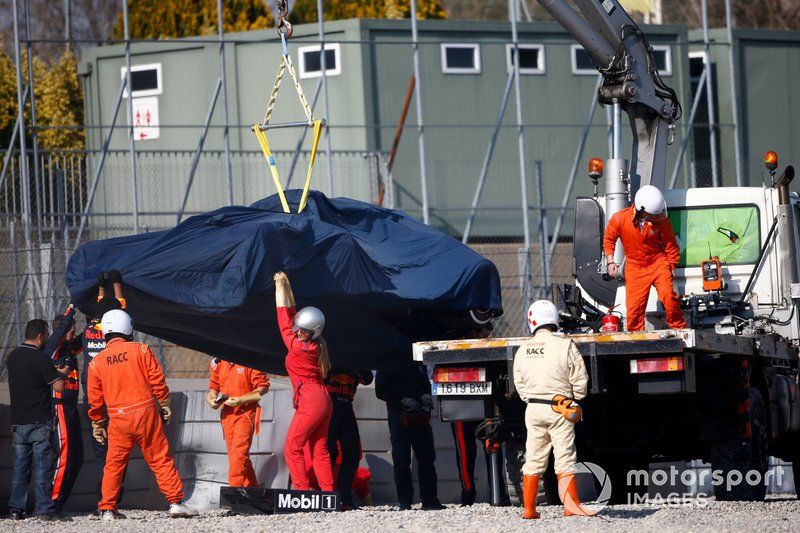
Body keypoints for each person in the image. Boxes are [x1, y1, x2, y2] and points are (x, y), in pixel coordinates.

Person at [87, 309, 197, 520]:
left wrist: (97, 423)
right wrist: (164, 403)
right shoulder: (141, 350)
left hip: (118, 418)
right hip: (145, 413)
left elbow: (95, 399)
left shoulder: (96, 362)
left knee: (114, 464)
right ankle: (175, 502)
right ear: (127, 327)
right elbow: (157, 380)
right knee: (159, 458)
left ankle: (107, 509)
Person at [513, 300, 589, 519]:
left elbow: (519, 383)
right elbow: (579, 378)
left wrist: (531, 399)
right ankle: (571, 506)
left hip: (534, 409)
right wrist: (576, 400)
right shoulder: (565, 345)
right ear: (555, 319)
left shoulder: (524, 348)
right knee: (564, 456)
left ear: (532, 321)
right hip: (560, 408)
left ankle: (529, 510)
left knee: (534, 458)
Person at [273, 271, 334, 491]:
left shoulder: (299, 348)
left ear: (313, 332)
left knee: (292, 447)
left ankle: (301, 490)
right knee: (320, 449)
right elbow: (292, 318)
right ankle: (328, 494)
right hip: (323, 398)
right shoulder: (316, 345)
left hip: (310, 398)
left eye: (303, 332)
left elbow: (283, 319)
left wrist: (279, 288)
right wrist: (287, 287)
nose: (298, 333)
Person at [603, 185, 686, 331]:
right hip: (635, 267)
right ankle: (637, 341)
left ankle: (678, 329)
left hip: (658, 262)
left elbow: (671, 246)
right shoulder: (620, 219)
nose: (657, 218)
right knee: (634, 310)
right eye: (653, 215)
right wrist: (610, 262)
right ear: (642, 211)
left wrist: (671, 266)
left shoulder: (662, 221)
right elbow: (609, 239)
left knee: (669, 297)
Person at [6, 319, 66, 521]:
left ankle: (16, 509)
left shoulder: (12, 357)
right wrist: (62, 375)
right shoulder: (41, 359)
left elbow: (30, 378)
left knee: (20, 469)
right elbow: (58, 387)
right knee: (42, 468)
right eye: (47, 335)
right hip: (39, 422)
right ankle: (43, 509)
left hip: (18, 422)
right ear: (40, 336)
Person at [449, 323, 510, 507]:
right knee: (465, 455)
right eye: (485, 334)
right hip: (461, 406)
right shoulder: (456, 347)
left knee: (493, 450)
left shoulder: (488, 351)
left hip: (486, 406)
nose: (488, 338)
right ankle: (467, 496)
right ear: (473, 332)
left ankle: (498, 495)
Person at [375, 362, 444, 511]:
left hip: (420, 414)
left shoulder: (417, 362)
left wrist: (426, 396)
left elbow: (425, 383)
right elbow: (380, 391)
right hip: (399, 415)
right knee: (401, 458)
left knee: (427, 457)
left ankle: (430, 500)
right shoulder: (387, 361)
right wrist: (401, 401)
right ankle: (405, 501)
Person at [43, 308, 84, 513]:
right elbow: (58, 336)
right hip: (58, 408)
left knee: (78, 457)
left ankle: (59, 503)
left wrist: (95, 316)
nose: (73, 334)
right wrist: (71, 309)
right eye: (70, 330)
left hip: (72, 408)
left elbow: (87, 338)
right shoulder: (53, 349)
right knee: (65, 456)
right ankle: (50, 504)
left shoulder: (69, 349)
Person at [206, 358, 270, 487]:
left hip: (245, 413)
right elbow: (213, 388)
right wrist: (212, 400)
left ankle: (235, 491)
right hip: (227, 414)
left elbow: (262, 388)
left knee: (238, 454)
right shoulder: (217, 362)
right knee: (236, 457)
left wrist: (241, 400)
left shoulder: (250, 359)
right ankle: (253, 492)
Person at [325, 367, 373, 510]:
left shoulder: (357, 359)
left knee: (352, 456)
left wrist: (358, 361)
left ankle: (345, 498)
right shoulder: (328, 357)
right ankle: (327, 496)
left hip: (346, 410)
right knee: (328, 454)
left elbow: (368, 378)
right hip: (327, 411)